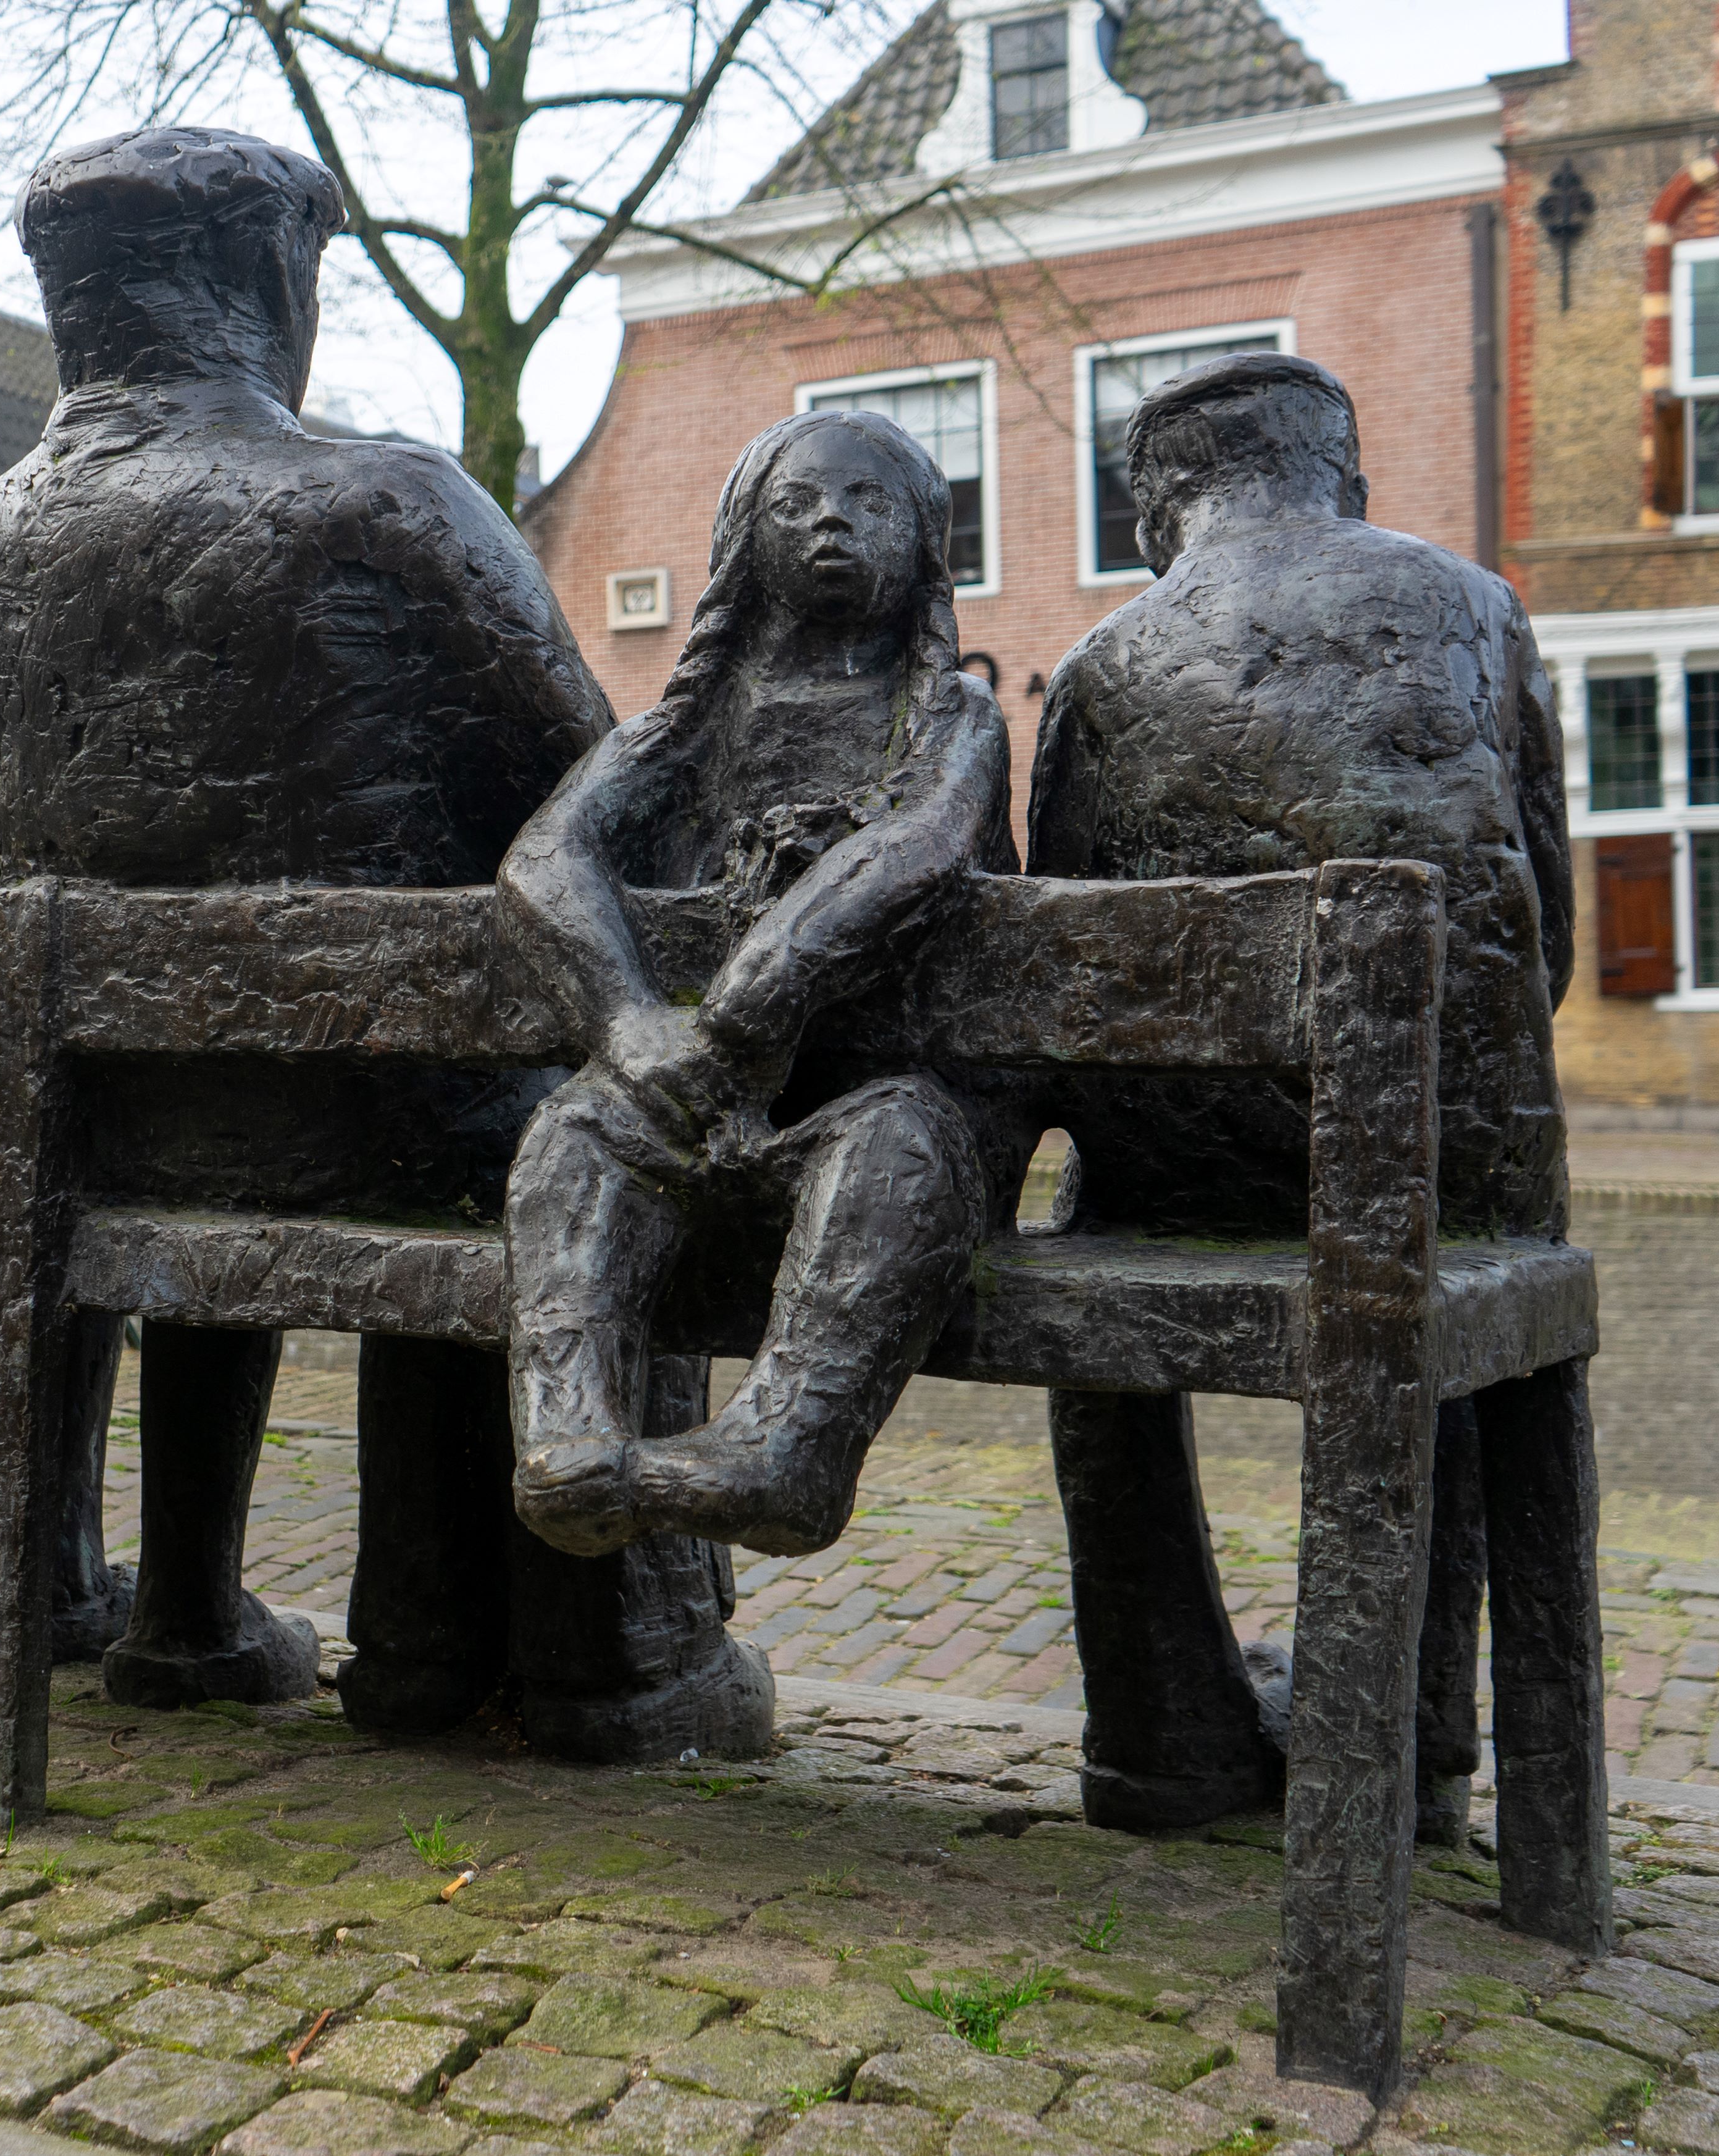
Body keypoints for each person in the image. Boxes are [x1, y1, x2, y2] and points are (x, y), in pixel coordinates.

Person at [0, 126, 766, 1758]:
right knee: (585, 1124)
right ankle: (581, 1659)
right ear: (268, 275)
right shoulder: (386, 500)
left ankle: (188, 1610)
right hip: (382, 1115)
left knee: (243, 1089)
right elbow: (605, 789)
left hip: (118, 1118)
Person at [1026, 350, 1576, 1834]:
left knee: (1088, 1215)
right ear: (1345, 476)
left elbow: (1068, 979)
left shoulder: (1094, 667)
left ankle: (1157, 1735)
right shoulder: (1474, 609)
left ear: (1157, 510)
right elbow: (1550, 947)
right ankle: (1410, 1750)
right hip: (1430, 1165)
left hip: (1186, 1170)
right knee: (1431, 1240)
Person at [500, 409, 1023, 1563]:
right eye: (798, 503)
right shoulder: (683, 729)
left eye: (868, 501)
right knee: (573, 1134)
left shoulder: (950, 719)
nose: (831, 518)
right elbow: (545, 857)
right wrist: (631, 1023)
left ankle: (786, 1451)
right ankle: (569, 1436)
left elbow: (926, 843)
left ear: (925, 543)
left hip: (871, 1130)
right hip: (692, 1118)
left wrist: (754, 992)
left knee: (896, 1141)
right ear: (747, 541)